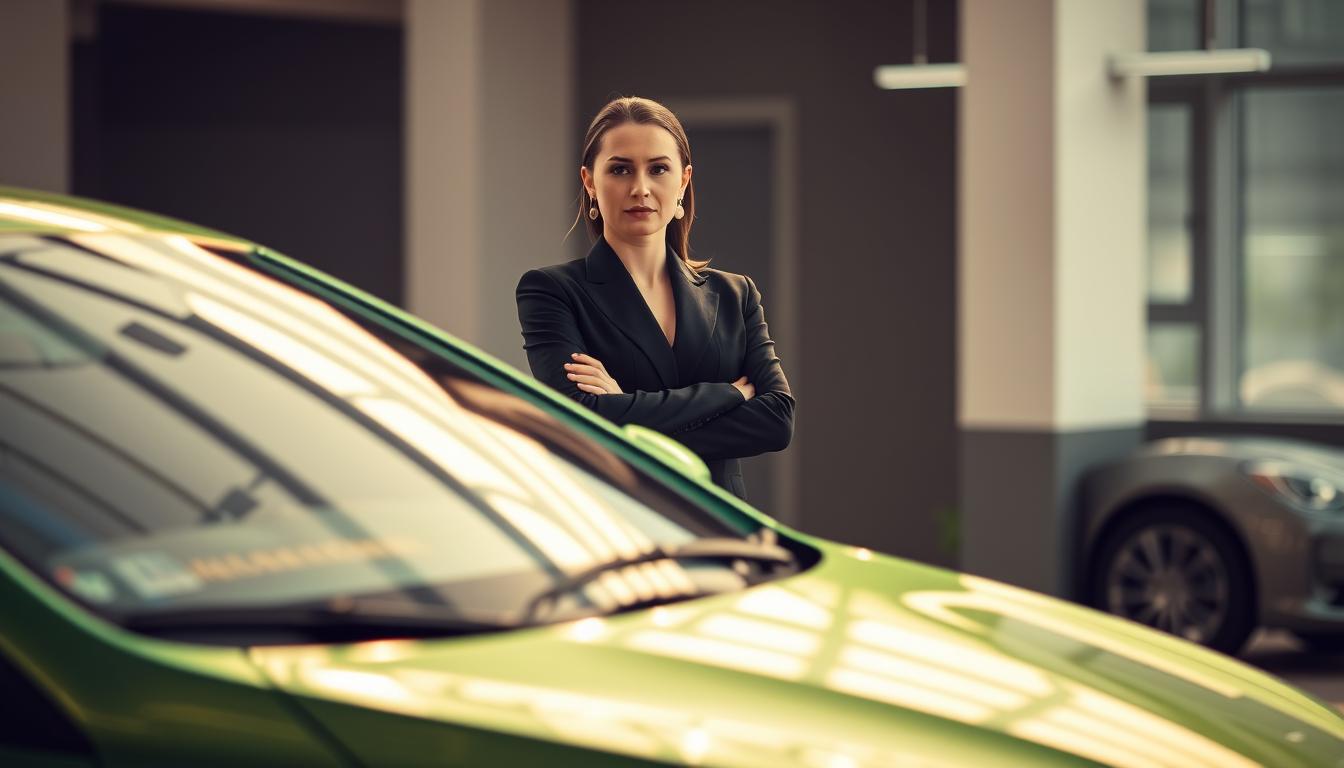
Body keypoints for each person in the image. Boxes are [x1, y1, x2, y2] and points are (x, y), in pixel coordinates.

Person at [516, 96, 793, 501]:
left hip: (721, 521)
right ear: (590, 181)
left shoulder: (735, 293)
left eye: (658, 169)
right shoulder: (551, 290)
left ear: (683, 181)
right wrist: (728, 394)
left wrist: (624, 412)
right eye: (620, 169)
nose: (640, 188)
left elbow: (776, 421)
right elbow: (582, 420)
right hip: (616, 518)